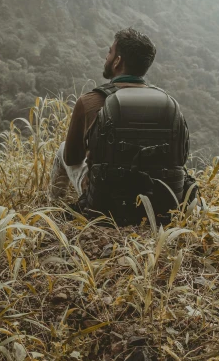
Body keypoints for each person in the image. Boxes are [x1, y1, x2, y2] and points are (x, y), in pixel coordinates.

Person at [50, 28, 190, 223]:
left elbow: (72, 158)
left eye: (110, 52)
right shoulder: (168, 104)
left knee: (62, 149)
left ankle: (51, 208)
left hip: (106, 203)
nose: (107, 57)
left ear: (117, 61)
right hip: (161, 202)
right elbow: (181, 159)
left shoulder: (90, 101)